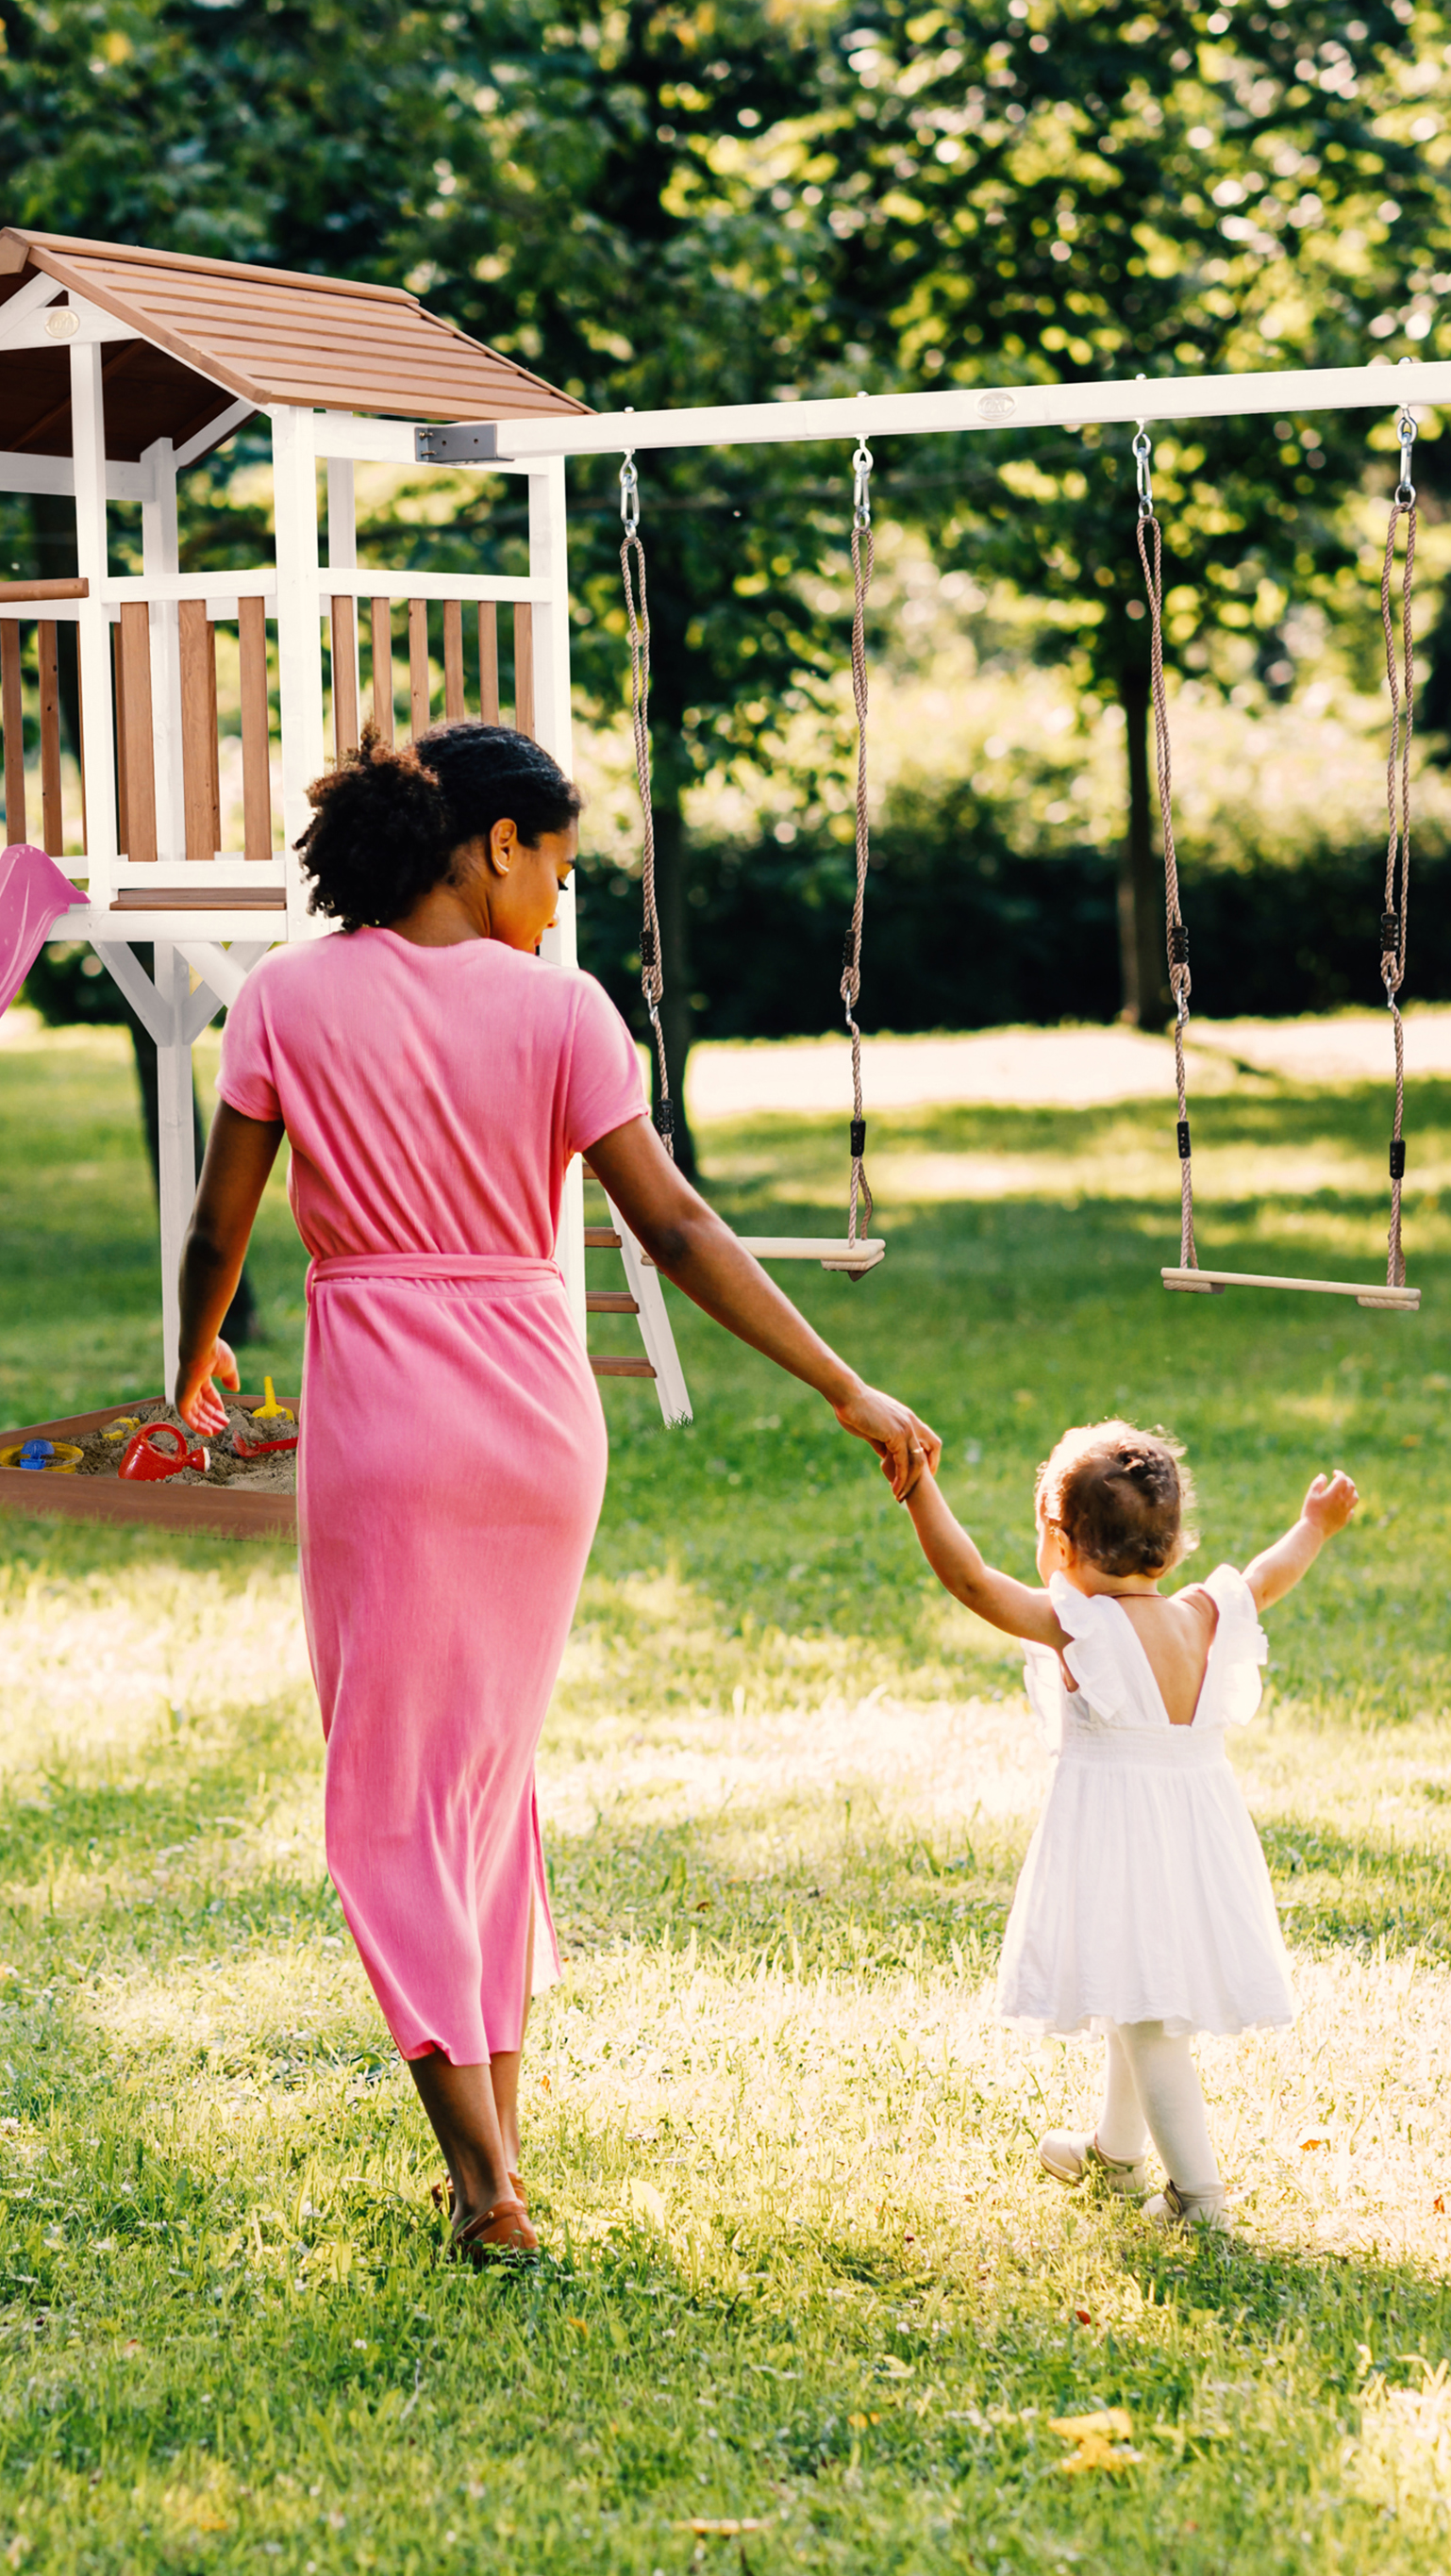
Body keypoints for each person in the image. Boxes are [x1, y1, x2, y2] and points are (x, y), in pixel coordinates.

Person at [170, 723, 940, 2265]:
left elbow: (220, 1230)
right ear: (492, 844)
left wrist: (186, 1373)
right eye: (559, 868)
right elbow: (676, 1228)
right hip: (536, 1428)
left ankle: (481, 2185)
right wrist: (839, 1381)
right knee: (481, 1786)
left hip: (386, 1426)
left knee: (393, 1798)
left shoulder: (285, 998)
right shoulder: (565, 1013)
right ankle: (498, 2156)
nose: (559, 902)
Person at [896, 1421, 1360, 2231]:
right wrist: (1314, 1526)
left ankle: (1198, 2198)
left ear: (1061, 1543)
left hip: (1121, 1843)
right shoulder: (1204, 1614)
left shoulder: (1080, 1628)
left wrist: (918, 1486)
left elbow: (970, 1581)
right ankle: (1115, 2156)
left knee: (1147, 2020)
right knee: (1130, 1989)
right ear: (1173, 1547)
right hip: (1194, 1840)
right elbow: (1267, 1575)